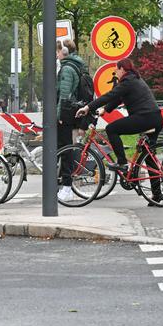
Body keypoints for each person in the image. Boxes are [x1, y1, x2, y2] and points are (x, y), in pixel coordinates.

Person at [75, 58, 163, 205]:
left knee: (111, 129)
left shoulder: (128, 81)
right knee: (148, 155)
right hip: (155, 119)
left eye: (116, 69)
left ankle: (122, 162)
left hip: (145, 118)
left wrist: (88, 108)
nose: (115, 72)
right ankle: (157, 195)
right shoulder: (133, 80)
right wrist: (105, 109)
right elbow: (117, 98)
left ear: (122, 69)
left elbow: (110, 95)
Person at [56, 39, 88, 203]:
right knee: (63, 148)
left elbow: (64, 95)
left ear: (64, 52)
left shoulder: (67, 68)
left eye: (57, 51)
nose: (56, 54)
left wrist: (59, 116)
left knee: (65, 150)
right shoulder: (78, 64)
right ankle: (60, 185)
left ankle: (67, 187)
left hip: (66, 115)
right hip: (73, 113)